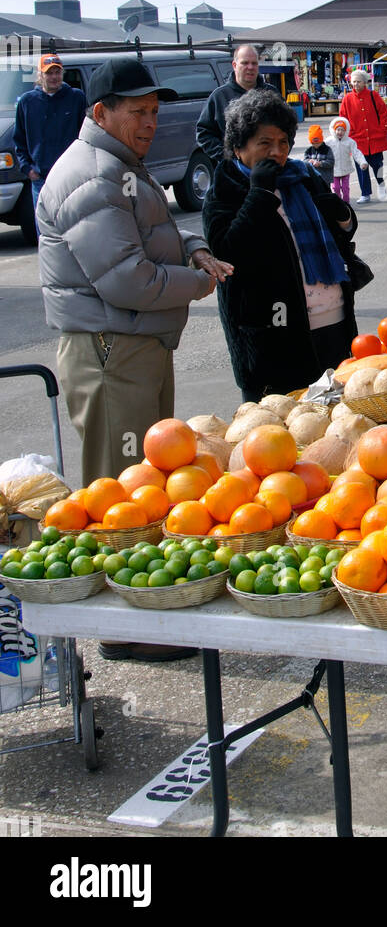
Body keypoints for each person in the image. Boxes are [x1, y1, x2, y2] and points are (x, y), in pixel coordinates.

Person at [37, 58, 230, 663]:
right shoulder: (93, 176)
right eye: (137, 112)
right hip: (109, 351)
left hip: (131, 346)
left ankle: (143, 611)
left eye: (154, 112)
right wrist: (197, 285)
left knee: (141, 485)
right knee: (116, 489)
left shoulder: (118, 165)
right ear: (101, 113)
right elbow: (127, 279)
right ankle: (121, 628)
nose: (150, 123)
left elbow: (155, 234)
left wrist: (195, 249)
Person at [203, 88, 358, 400]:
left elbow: (344, 231)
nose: (277, 152)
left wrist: (342, 215)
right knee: (282, 434)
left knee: (335, 426)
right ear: (238, 147)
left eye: (283, 142)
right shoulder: (225, 189)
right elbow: (228, 254)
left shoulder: (302, 176)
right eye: (264, 143)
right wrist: (260, 192)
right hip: (273, 339)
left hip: (333, 324)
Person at [13, 54, 86, 225]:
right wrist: (28, 169)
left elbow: (86, 134)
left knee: (74, 225)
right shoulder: (27, 102)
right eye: (49, 73)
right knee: (46, 230)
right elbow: (19, 140)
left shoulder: (76, 97)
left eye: (57, 72)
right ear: (40, 75)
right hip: (41, 178)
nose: (54, 77)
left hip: (71, 177)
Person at [195, 43, 265, 166]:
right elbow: (204, 134)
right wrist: (227, 157)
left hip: (268, 168)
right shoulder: (219, 97)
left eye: (254, 63)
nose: (250, 67)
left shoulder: (271, 93)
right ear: (234, 65)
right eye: (245, 63)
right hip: (232, 175)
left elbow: (287, 129)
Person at [338, 70, 387, 203]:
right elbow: (343, 118)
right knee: (362, 167)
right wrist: (344, 134)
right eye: (353, 81)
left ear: (365, 82)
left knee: (377, 165)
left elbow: (383, 112)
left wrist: (383, 129)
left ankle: (381, 185)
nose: (355, 84)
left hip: (375, 138)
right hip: (357, 140)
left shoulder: (374, 95)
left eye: (358, 81)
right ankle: (365, 193)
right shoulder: (347, 99)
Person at [328, 116, 366, 204]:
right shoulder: (328, 142)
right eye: (338, 129)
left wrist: (362, 162)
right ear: (334, 130)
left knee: (345, 188)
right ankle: (338, 203)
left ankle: (346, 203)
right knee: (335, 188)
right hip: (334, 170)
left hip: (346, 169)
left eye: (342, 130)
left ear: (346, 131)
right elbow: (322, 150)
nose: (340, 132)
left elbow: (356, 153)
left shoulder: (350, 142)